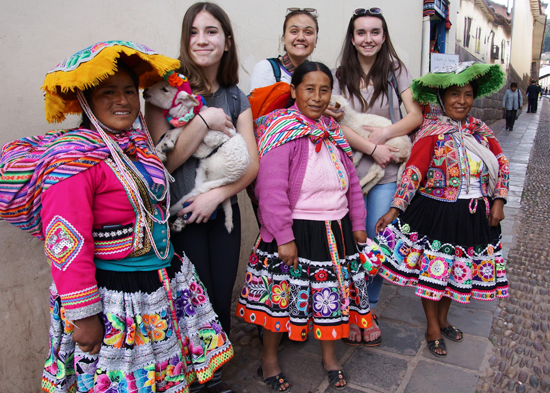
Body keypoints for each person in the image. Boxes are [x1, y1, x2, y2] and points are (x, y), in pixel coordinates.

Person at [0, 41, 233, 393]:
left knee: (164, 378)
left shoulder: (135, 147)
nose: (123, 101)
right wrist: (84, 316)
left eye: (129, 91)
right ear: (86, 102)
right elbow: (66, 243)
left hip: (161, 283)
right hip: (116, 298)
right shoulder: (73, 162)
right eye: (109, 92)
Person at [236, 62, 384, 391]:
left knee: (331, 297)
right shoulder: (281, 131)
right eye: (309, 89)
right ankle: (270, 359)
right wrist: (284, 239)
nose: (317, 97)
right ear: (293, 91)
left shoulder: (332, 132)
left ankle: (330, 357)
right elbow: (271, 192)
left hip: (337, 230)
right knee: (281, 298)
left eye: (324, 90)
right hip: (296, 232)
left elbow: (353, 185)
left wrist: (358, 223)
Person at [145, 4, 258, 391]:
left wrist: (217, 196)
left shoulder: (236, 97)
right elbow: (164, 159)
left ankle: (213, 377)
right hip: (179, 216)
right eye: (194, 32)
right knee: (189, 299)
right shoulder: (165, 89)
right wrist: (204, 120)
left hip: (222, 213)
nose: (202, 40)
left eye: (211, 32)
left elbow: (251, 165)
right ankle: (189, 380)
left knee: (219, 294)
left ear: (226, 42)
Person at [375, 62, 510, 358]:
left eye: (467, 94)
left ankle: (444, 319)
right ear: (441, 99)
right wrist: (396, 209)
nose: (461, 101)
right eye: (454, 95)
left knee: (455, 273)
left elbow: (501, 165)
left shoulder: (482, 133)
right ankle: (432, 326)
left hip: (475, 214)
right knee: (434, 273)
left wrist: (498, 201)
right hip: (437, 212)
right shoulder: (431, 133)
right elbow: (414, 172)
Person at [326, 7, 423, 346]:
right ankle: (352, 308)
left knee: (376, 240)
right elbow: (334, 122)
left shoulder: (396, 72)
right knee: (350, 241)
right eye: (361, 32)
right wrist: (370, 146)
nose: (368, 39)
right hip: (350, 170)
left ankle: (371, 308)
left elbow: (414, 116)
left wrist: (383, 138)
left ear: (383, 37)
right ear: (352, 38)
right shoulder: (337, 75)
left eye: (375, 32)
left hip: (387, 171)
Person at [249, 8, 318, 91]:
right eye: (294, 31)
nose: (301, 37)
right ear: (284, 38)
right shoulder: (267, 69)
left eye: (308, 32)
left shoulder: (316, 74)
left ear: (316, 41)